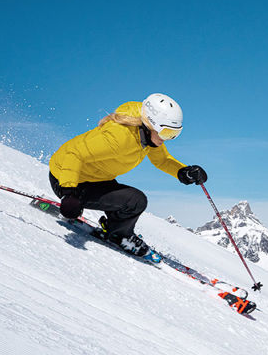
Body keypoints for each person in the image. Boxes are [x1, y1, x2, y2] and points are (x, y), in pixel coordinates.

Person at [48, 93, 207, 256]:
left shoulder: (147, 135)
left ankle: (115, 228)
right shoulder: (119, 137)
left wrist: (183, 172)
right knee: (135, 201)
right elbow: (74, 154)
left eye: (174, 134)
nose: (167, 139)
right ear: (151, 124)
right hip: (66, 179)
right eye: (166, 133)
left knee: (133, 201)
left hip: (93, 179)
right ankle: (118, 235)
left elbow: (162, 160)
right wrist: (69, 194)